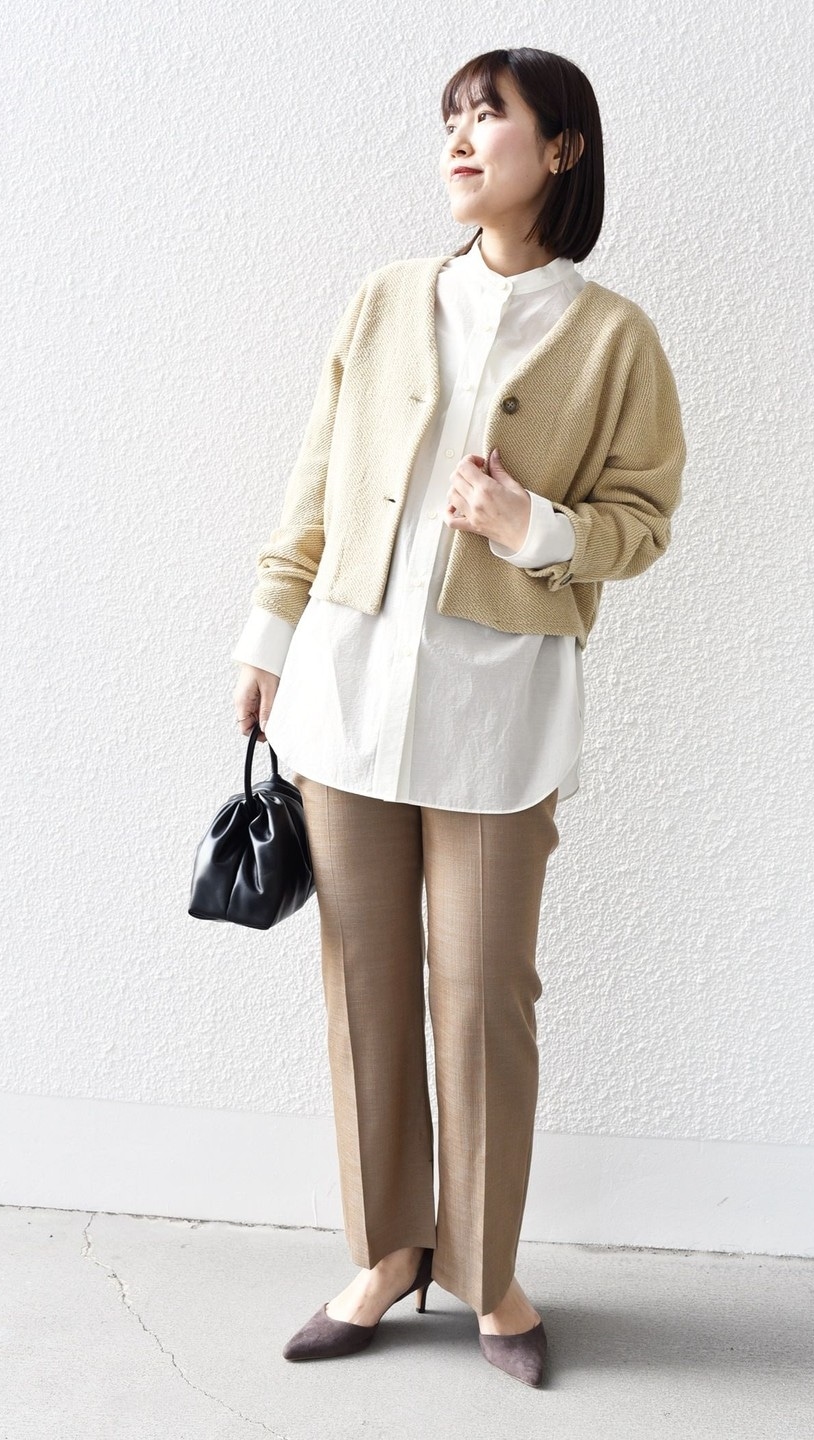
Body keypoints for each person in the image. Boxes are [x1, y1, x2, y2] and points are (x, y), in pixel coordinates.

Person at [230, 47, 686, 1388]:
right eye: (452, 118)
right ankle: (386, 1254)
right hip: (346, 697)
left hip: (500, 714)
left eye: (491, 116)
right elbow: (316, 482)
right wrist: (267, 637)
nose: (461, 139)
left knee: (484, 1000)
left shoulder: (615, 338)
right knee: (363, 989)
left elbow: (644, 521)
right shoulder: (385, 301)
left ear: (563, 149)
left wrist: (530, 524)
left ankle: (488, 1272)